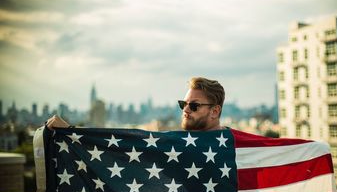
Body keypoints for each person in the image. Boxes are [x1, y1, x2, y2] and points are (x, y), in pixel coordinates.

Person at [46, 77, 225, 131]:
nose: (185, 109)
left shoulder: (239, 146)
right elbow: (118, 143)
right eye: (183, 104)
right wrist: (69, 132)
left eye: (193, 105)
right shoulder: (175, 145)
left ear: (214, 111)